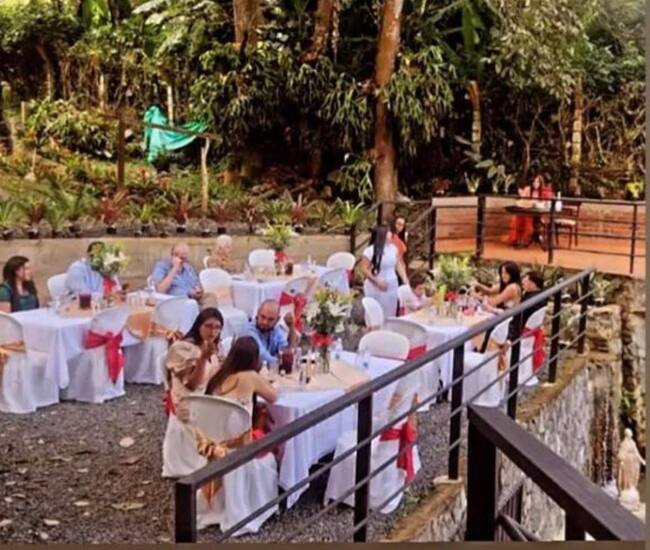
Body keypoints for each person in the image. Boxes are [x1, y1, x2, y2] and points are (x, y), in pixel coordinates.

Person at [164, 307, 224, 422]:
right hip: (188, 402)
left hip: (207, 397)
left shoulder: (213, 347)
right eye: (208, 326)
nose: (213, 332)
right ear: (199, 326)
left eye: (217, 327)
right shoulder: (182, 348)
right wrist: (203, 359)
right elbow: (191, 385)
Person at [205, 336, 278, 415]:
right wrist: (262, 375)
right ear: (255, 359)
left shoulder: (218, 372)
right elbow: (273, 397)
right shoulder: (250, 376)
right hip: (237, 422)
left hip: (212, 419)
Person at [360, 225, 409, 319]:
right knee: (376, 314)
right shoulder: (370, 250)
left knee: (390, 312)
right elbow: (364, 269)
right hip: (375, 285)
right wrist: (376, 281)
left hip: (392, 284)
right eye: (388, 232)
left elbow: (398, 264)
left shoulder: (393, 249)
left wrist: (405, 278)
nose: (391, 234)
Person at [245, 300, 298, 365]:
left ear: (277, 319)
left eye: (270, 319)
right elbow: (262, 356)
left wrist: (291, 327)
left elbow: (288, 353)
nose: (265, 322)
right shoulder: (249, 331)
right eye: (263, 317)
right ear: (257, 314)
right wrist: (282, 361)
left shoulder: (276, 330)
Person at [508, 175, 545, 248]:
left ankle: (526, 240)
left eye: (537, 182)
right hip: (526, 212)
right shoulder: (528, 189)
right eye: (534, 181)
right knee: (516, 218)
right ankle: (515, 240)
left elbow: (544, 203)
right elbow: (522, 199)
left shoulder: (543, 191)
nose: (535, 183)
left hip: (536, 214)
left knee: (529, 221)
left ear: (540, 183)